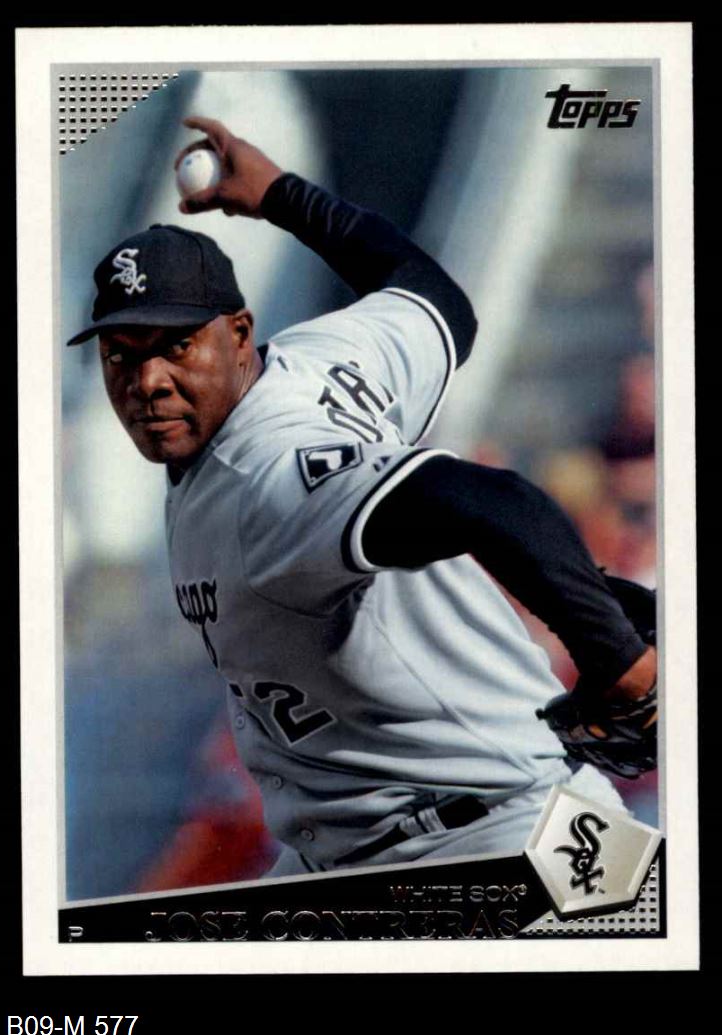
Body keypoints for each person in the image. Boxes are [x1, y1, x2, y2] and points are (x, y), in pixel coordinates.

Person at [68, 116, 656, 878]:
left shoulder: (266, 482)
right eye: (122, 355)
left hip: (498, 838)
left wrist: (622, 663)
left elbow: (487, 500)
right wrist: (282, 196)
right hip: (375, 841)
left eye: (176, 345)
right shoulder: (314, 361)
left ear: (239, 334)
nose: (148, 380)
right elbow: (436, 302)